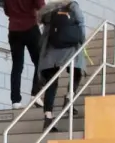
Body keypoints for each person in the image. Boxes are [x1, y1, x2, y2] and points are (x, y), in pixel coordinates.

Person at [37, 0, 86, 132]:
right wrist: (82, 40)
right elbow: (81, 23)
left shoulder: (48, 11)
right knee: (76, 73)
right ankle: (69, 98)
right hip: (70, 49)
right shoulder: (73, 6)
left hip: (50, 51)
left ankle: (48, 117)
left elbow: (44, 36)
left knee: (51, 83)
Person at [6, 0, 46, 110]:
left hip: (13, 30)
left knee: (17, 66)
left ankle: (15, 101)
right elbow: (43, 8)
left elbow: (6, 11)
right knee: (40, 61)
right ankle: (35, 93)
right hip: (30, 28)